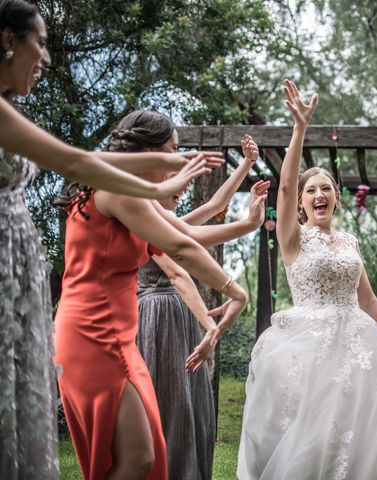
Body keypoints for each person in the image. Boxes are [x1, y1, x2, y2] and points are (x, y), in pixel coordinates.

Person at [0, 1, 219, 477]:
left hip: (28, 275)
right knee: (134, 453)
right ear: (6, 40)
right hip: (55, 300)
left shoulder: (10, 110)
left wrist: (162, 184)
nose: (47, 58)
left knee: (135, 453)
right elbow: (78, 162)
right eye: (40, 42)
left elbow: (90, 162)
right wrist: (161, 186)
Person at [54, 110, 263, 479]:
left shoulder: (128, 194)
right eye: (171, 152)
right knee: (137, 458)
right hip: (93, 334)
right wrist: (234, 291)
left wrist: (247, 223)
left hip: (115, 336)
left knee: (141, 456)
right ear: (148, 151)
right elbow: (181, 249)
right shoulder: (117, 190)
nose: (174, 164)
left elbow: (188, 234)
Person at [236, 80, 377, 479]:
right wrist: (300, 129)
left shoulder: (350, 242)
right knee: (311, 438)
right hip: (310, 351)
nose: (319, 194)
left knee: (361, 440)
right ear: (300, 203)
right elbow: (283, 184)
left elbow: (369, 302)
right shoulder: (292, 238)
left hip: (361, 349)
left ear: (335, 197)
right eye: (310, 190)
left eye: (326, 188)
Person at [118, 110, 268, 480]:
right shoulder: (142, 214)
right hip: (157, 316)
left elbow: (216, 207)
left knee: (188, 403)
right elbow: (181, 269)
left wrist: (247, 165)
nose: (179, 186)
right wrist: (210, 325)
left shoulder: (163, 221)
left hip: (175, 315)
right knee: (172, 403)